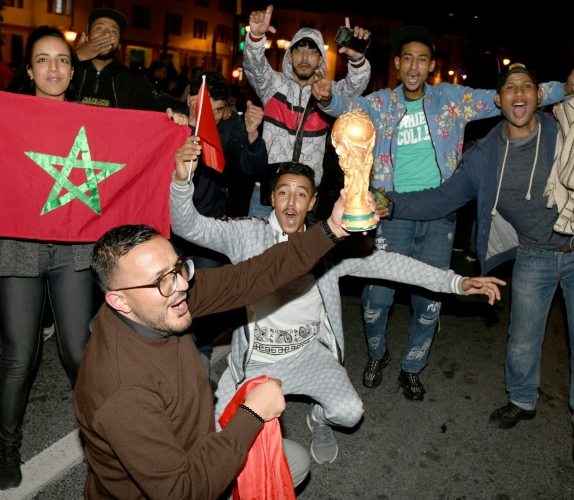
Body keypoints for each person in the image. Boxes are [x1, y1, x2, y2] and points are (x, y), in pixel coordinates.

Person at [170, 154, 506, 464]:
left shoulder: (328, 243)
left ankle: (317, 418)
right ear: (271, 198)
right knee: (217, 445)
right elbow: (190, 227)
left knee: (350, 412)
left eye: (301, 194)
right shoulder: (246, 235)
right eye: (283, 192)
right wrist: (182, 182)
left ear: (313, 202)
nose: (291, 201)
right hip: (255, 361)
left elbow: (392, 266)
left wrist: (456, 283)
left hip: (306, 355)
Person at [379, 63, 574, 471]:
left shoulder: (565, 130)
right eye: (509, 87)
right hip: (532, 254)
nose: (518, 93)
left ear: (537, 96)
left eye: (527, 86)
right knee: (522, 340)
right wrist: (393, 203)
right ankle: (521, 401)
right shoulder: (484, 158)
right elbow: (442, 197)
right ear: (498, 100)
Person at [312, 25, 574, 400]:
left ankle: (412, 366)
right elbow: (345, 108)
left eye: (422, 59)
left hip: (441, 216)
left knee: (429, 299)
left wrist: (566, 89)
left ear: (431, 66)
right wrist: (326, 99)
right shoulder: (382, 103)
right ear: (397, 63)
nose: (414, 66)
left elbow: (510, 95)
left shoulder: (452, 100)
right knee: (377, 296)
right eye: (407, 58)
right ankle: (377, 355)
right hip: (391, 212)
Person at [73, 188, 362, 499]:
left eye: (179, 266)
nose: (183, 285)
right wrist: (252, 414)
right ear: (119, 300)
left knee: (295, 462)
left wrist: (332, 230)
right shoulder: (122, 393)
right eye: (162, 280)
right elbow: (182, 492)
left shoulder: (156, 303)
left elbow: (250, 277)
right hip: (177, 488)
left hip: (198, 446)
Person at [0, 26, 99, 490]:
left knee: (76, 349)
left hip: (73, 248)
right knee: (19, 356)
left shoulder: (95, 125)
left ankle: (102, 436)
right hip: (15, 249)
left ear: (74, 70)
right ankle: (7, 447)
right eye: (43, 60)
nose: (54, 68)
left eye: (63, 59)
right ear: (29, 71)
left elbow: (135, 151)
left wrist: (168, 126)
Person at [171, 70, 268, 366]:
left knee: (204, 292)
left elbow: (252, 169)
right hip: (168, 224)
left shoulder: (230, 126)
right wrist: (177, 126)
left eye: (218, 111)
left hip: (209, 220)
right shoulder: (169, 122)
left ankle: (201, 353)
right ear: (190, 100)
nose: (212, 119)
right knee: (162, 287)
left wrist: (252, 135)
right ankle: (161, 350)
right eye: (205, 111)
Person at [243, 5, 371, 218]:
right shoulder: (272, 86)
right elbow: (254, 66)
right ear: (289, 57)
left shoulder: (329, 92)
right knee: (258, 251)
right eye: (299, 50)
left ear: (321, 59)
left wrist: (357, 58)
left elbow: (355, 87)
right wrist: (255, 37)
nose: (305, 57)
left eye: (312, 51)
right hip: (267, 194)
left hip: (306, 195)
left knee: (297, 252)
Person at [71, 8, 186, 113]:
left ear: (119, 46)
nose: (105, 34)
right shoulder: (68, 72)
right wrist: (76, 57)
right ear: (87, 38)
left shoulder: (135, 81)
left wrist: (190, 106)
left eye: (113, 32)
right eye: (99, 28)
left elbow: (167, 103)